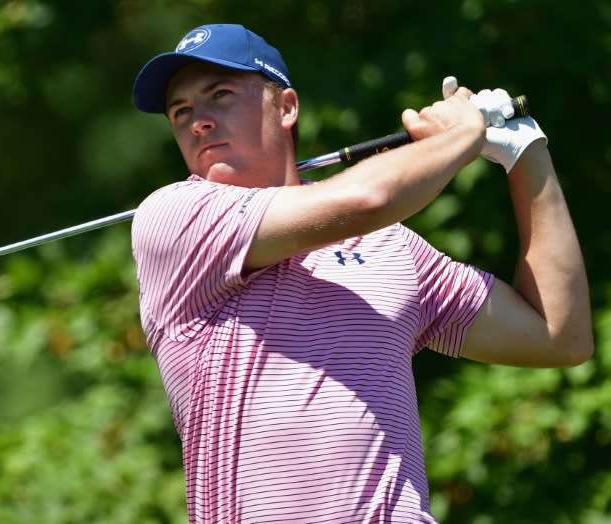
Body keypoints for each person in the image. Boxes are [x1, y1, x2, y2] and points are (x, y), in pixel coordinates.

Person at [129, 23, 594, 523]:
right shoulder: (174, 218)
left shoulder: (390, 246)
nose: (198, 121)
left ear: (286, 107)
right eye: (181, 111)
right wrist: (464, 135)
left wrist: (527, 157)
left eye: (219, 95)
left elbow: (558, 336)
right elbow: (367, 199)